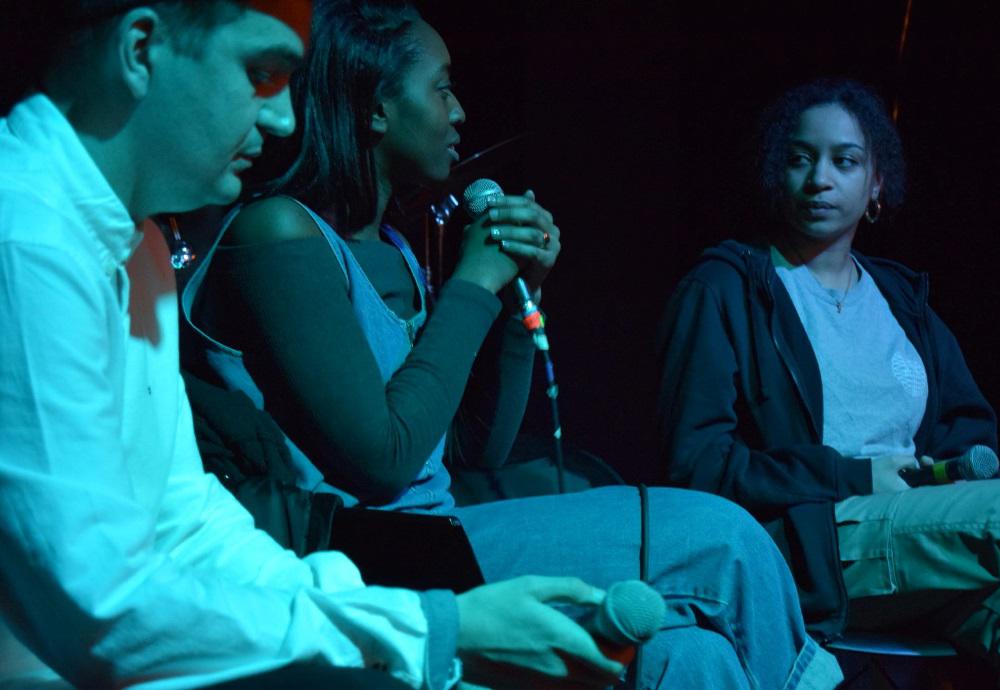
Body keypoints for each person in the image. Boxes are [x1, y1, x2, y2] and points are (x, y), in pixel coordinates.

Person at [181, 2, 844, 689]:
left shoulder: (398, 250)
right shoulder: (278, 232)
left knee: (693, 656)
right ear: (375, 108)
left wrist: (513, 298)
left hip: (439, 533)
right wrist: (472, 283)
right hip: (362, 556)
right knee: (721, 541)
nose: (459, 111)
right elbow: (384, 462)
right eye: (442, 88)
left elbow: (474, 448)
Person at [0, 2, 654, 689]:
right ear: (141, 50)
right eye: (260, 73)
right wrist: (427, 630)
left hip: (189, 626)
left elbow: (185, 522)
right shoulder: (25, 237)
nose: (285, 118)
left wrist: (385, 616)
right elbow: (98, 607)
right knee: (711, 546)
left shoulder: (141, 251)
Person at [657, 78, 1000, 689]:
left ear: (876, 184)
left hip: (919, 541)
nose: (820, 179)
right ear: (776, 173)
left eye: (845, 161)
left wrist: (947, 472)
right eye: (800, 159)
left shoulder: (900, 299)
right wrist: (852, 476)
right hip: (813, 547)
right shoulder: (726, 289)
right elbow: (696, 467)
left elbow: (967, 427)